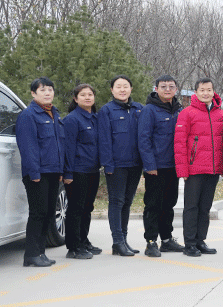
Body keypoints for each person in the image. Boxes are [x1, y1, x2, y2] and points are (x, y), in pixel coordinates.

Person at [175, 78, 223, 257]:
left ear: (214, 92)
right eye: (202, 90)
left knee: (205, 207)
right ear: (195, 92)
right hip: (194, 169)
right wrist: (182, 170)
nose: (206, 93)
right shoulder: (187, 113)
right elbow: (180, 143)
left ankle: (200, 240)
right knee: (191, 207)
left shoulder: (220, 114)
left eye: (209, 90)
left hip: (212, 169)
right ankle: (189, 243)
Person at [18, 77, 65, 267]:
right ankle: (31, 254)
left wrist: (61, 170)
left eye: (50, 90)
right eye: (43, 90)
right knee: (38, 213)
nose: (47, 93)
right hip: (37, 174)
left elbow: (59, 145)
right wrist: (34, 173)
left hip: (53, 171)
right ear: (33, 93)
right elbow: (28, 147)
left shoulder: (54, 114)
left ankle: (40, 252)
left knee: (47, 213)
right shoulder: (28, 115)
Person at [138, 75, 185, 257]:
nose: (167, 89)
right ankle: (151, 241)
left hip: (173, 166)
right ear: (156, 88)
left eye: (171, 86)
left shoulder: (179, 110)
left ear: (176, 89)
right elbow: (144, 139)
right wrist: (149, 165)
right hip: (156, 167)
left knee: (169, 204)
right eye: (163, 86)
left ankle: (167, 239)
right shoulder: (150, 110)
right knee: (153, 205)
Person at [98, 75, 144, 256]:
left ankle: (123, 240)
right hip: (116, 165)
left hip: (135, 164)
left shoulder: (139, 109)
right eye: (118, 86)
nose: (122, 89)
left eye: (126, 86)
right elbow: (104, 139)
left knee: (127, 202)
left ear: (131, 89)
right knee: (116, 202)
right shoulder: (106, 111)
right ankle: (117, 241)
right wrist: (107, 164)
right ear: (112, 90)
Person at [62, 84, 102, 260]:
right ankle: (73, 247)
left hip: (93, 170)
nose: (87, 97)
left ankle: (84, 241)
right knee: (76, 209)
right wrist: (68, 173)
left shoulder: (95, 118)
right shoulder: (72, 119)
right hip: (78, 171)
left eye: (90, 94)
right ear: (75, 99)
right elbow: (68, 148)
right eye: (83, 95)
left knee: (87, 207)